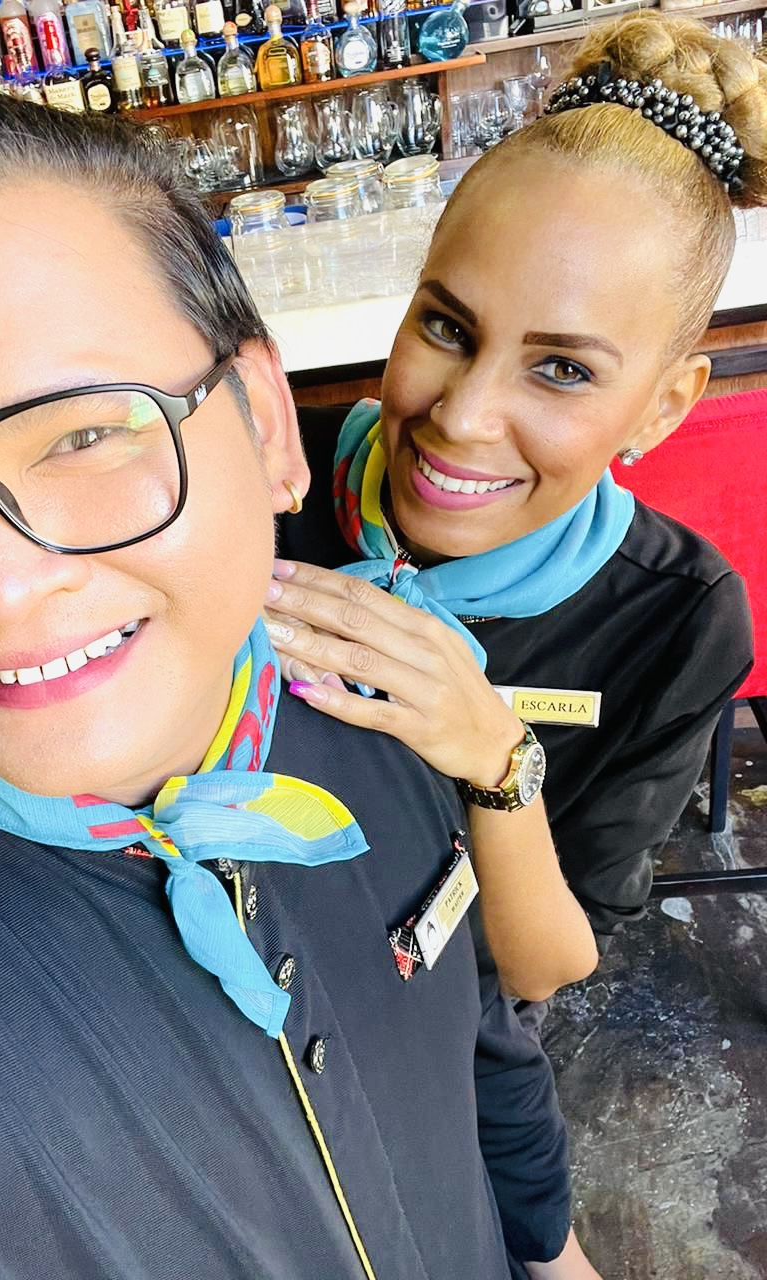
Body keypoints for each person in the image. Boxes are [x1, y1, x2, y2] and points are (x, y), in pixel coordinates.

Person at [0, 96, 599, 1279]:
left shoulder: (381, 695)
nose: (2, 584)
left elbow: (482, 1035)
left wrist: (555, 1251)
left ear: (268, 423)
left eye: (84, 433)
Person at [270, 11, 759, 1002]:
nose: (462, 417)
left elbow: (551, 964)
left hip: (444, 1006)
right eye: (447, 327)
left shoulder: (677, 616)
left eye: (563, 368)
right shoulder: (266, 474)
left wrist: (496, 757)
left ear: (663, 407)